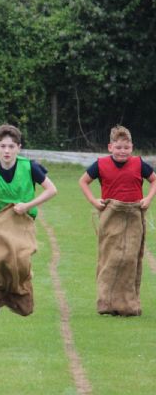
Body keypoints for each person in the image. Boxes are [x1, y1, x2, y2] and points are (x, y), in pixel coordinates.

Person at [0, 124, 57, 316]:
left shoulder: (30, 167)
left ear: (18, 148)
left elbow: (52, 190)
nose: (7, 151)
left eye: (11, 146)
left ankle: (10, 292)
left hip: (23, 219)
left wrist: (28, 205)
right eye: (2, 146)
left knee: (20, 261)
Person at [79, 125, 156, 316]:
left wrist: (148, 199)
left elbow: (154, 180)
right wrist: (94, 201)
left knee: (130, 259)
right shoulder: (100, 164)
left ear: (132, 147)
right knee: (111, 259)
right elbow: (83, 181)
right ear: (110, 147)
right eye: (118, 147)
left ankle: (128, 304)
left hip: (134, 215)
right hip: (110, 216)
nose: (122, 151)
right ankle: (106, 303)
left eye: (126, 148)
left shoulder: (139, 164)